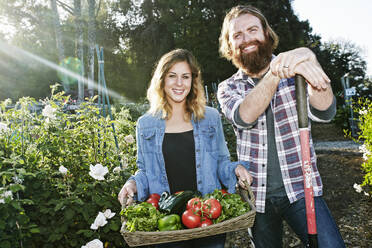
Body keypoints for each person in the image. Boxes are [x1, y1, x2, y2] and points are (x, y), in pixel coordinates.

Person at [217, 5, 345, 248]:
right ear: (230, 45)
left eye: (252, 30)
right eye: (237, 35)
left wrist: (310, 58)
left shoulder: (296, 70)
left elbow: (325, 111)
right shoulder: (228, 87)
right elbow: (245, 116)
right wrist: (275, 74)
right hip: (256, 196)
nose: (246, 39)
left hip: (301, 189)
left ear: (266, 34)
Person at [118, 48, 251, 248]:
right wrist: (132, 184)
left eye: (185, 77)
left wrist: (236, 169)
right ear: (162, 80)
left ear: (193, 81)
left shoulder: (210, 118)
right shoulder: (146, 124)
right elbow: (145, 171)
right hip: (167, 224)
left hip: (206, 218)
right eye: (172, 76)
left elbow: (222, 163)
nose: (179, 83)